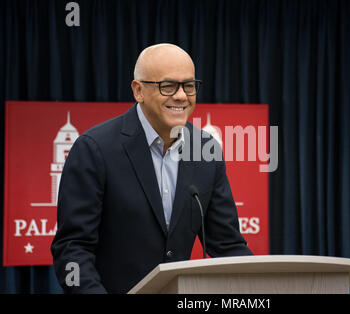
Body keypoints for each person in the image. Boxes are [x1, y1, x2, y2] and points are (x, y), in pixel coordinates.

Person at [51, 43, 252, 294]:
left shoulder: (206, 149)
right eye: (167, 86)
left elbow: (228, 245)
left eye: (189, 86)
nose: (181, 96)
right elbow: (72, 249)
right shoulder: (94, 149)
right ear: (138, 90)